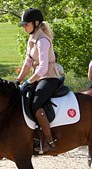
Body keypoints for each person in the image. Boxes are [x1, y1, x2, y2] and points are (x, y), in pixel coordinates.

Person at [17, 8, 60, 152]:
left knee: (35, 104)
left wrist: (28, 82)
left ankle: (49, 140)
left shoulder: (42, 41)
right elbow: (27, 63)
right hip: (38, 77)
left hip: (49, 77)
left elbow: (42, 68)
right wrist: (18, 81)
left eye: (26, 24)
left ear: (35, 23)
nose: (24, 27)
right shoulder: (32, 39)